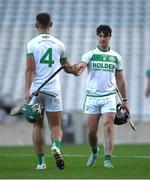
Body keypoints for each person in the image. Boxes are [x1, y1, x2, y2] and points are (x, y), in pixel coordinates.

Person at [25, 12, 76, 170]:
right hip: (53, 90)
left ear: (36, 25)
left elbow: (30, 69)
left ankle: (41, 163)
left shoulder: (31, 44)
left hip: (36, 91)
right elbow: (68, 68)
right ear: (51, 24)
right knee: (55, 126)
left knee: (37, 126)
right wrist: (76, 70)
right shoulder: (59, 44)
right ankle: (56, 145)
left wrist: (27, 91)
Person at [75, 25, 129, 168]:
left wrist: (125, 101)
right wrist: (75, 69)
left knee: (108, 125)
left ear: (110, 37)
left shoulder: (116, 57)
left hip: (109, 97)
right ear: (97, 36)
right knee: (91, 132)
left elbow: (120, 79)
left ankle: (107, 159)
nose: (102, 38)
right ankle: (94, 151)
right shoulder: (89, 54)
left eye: (105, 35)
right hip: (92, 97)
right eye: (100, 35)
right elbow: (80, 69)